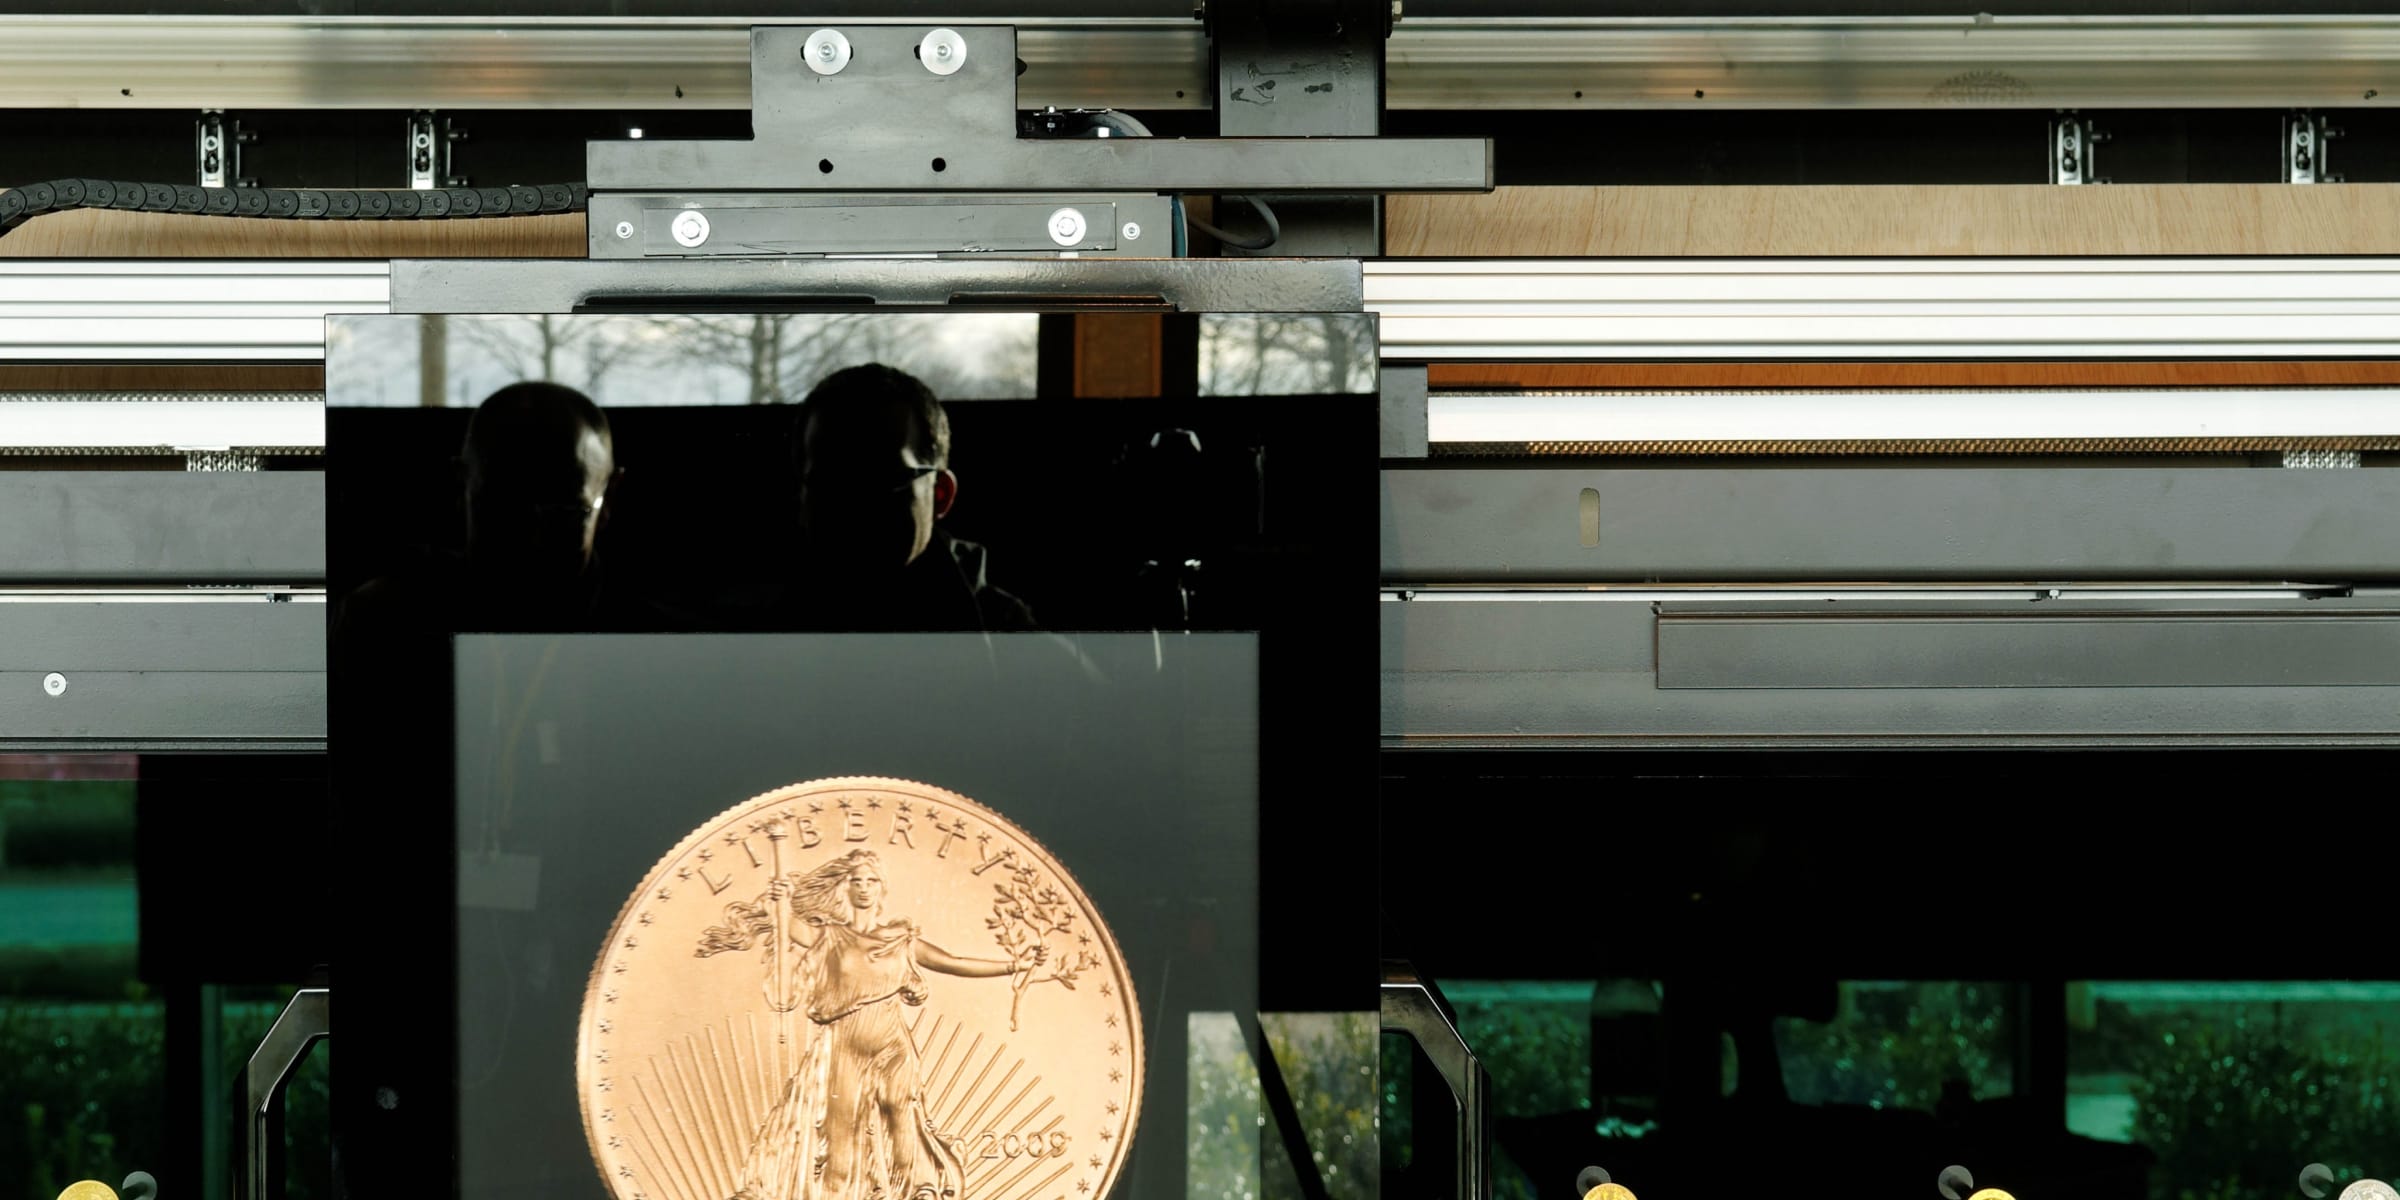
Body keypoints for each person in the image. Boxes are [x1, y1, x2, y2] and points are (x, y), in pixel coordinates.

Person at [699, 850, 1041, 1200]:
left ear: (882, 888)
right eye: (857, 881)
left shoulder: (900, 940)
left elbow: (953, 962)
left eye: (871, 881)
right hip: (843, 1047)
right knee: (841, 1130)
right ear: (845, 888)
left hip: (891, 1041)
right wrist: (779, 903)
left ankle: (919, 1189)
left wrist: (1012, 966)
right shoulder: (829, 936)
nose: (864, 887)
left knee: (901, 1108)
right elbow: (787, 923)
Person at [336, 381, 659, 640]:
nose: (531, 540)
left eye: (563, 512)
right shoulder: (388, 619)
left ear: (609, 496)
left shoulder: (652, 633)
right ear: (460, 486)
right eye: (504, 509)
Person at [734, 364, 1034, 632]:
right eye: (830, 479)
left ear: (940, 494)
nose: (853, 504)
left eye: (881, 476)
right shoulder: (745, 628)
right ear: (801, 495)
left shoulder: (1012, 641)